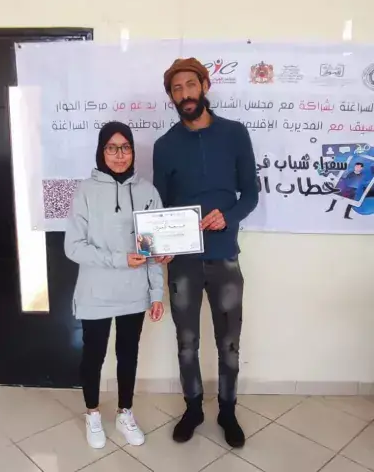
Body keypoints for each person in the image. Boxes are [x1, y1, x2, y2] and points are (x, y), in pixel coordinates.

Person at [153, 58, 259, 448]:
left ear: (204, 85)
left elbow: (250, 194)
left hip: (224, 258)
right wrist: (159, 245)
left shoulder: (234, 134)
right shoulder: (164, 146)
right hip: (182, 262)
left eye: (189, 86)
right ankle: (194, 407)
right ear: (171, 97)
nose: (184, 94)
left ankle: (227, 412)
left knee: (229, 342)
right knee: (186, 340)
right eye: (176, 90)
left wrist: (227, 218)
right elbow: (162, 207)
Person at [65, 121, 164, 449]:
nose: (120, 155)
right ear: (101, 150)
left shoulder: (148, 191)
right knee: (93, 355)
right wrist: (119, 258)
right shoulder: (85, 191)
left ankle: (124, 412)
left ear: (133, 151)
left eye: (126, 148)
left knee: (128, 354)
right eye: (112, 147)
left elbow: (153, 250)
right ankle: (92, 413)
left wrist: (156, 293)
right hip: (95, 293)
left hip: (133, 294)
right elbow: (73, 247)